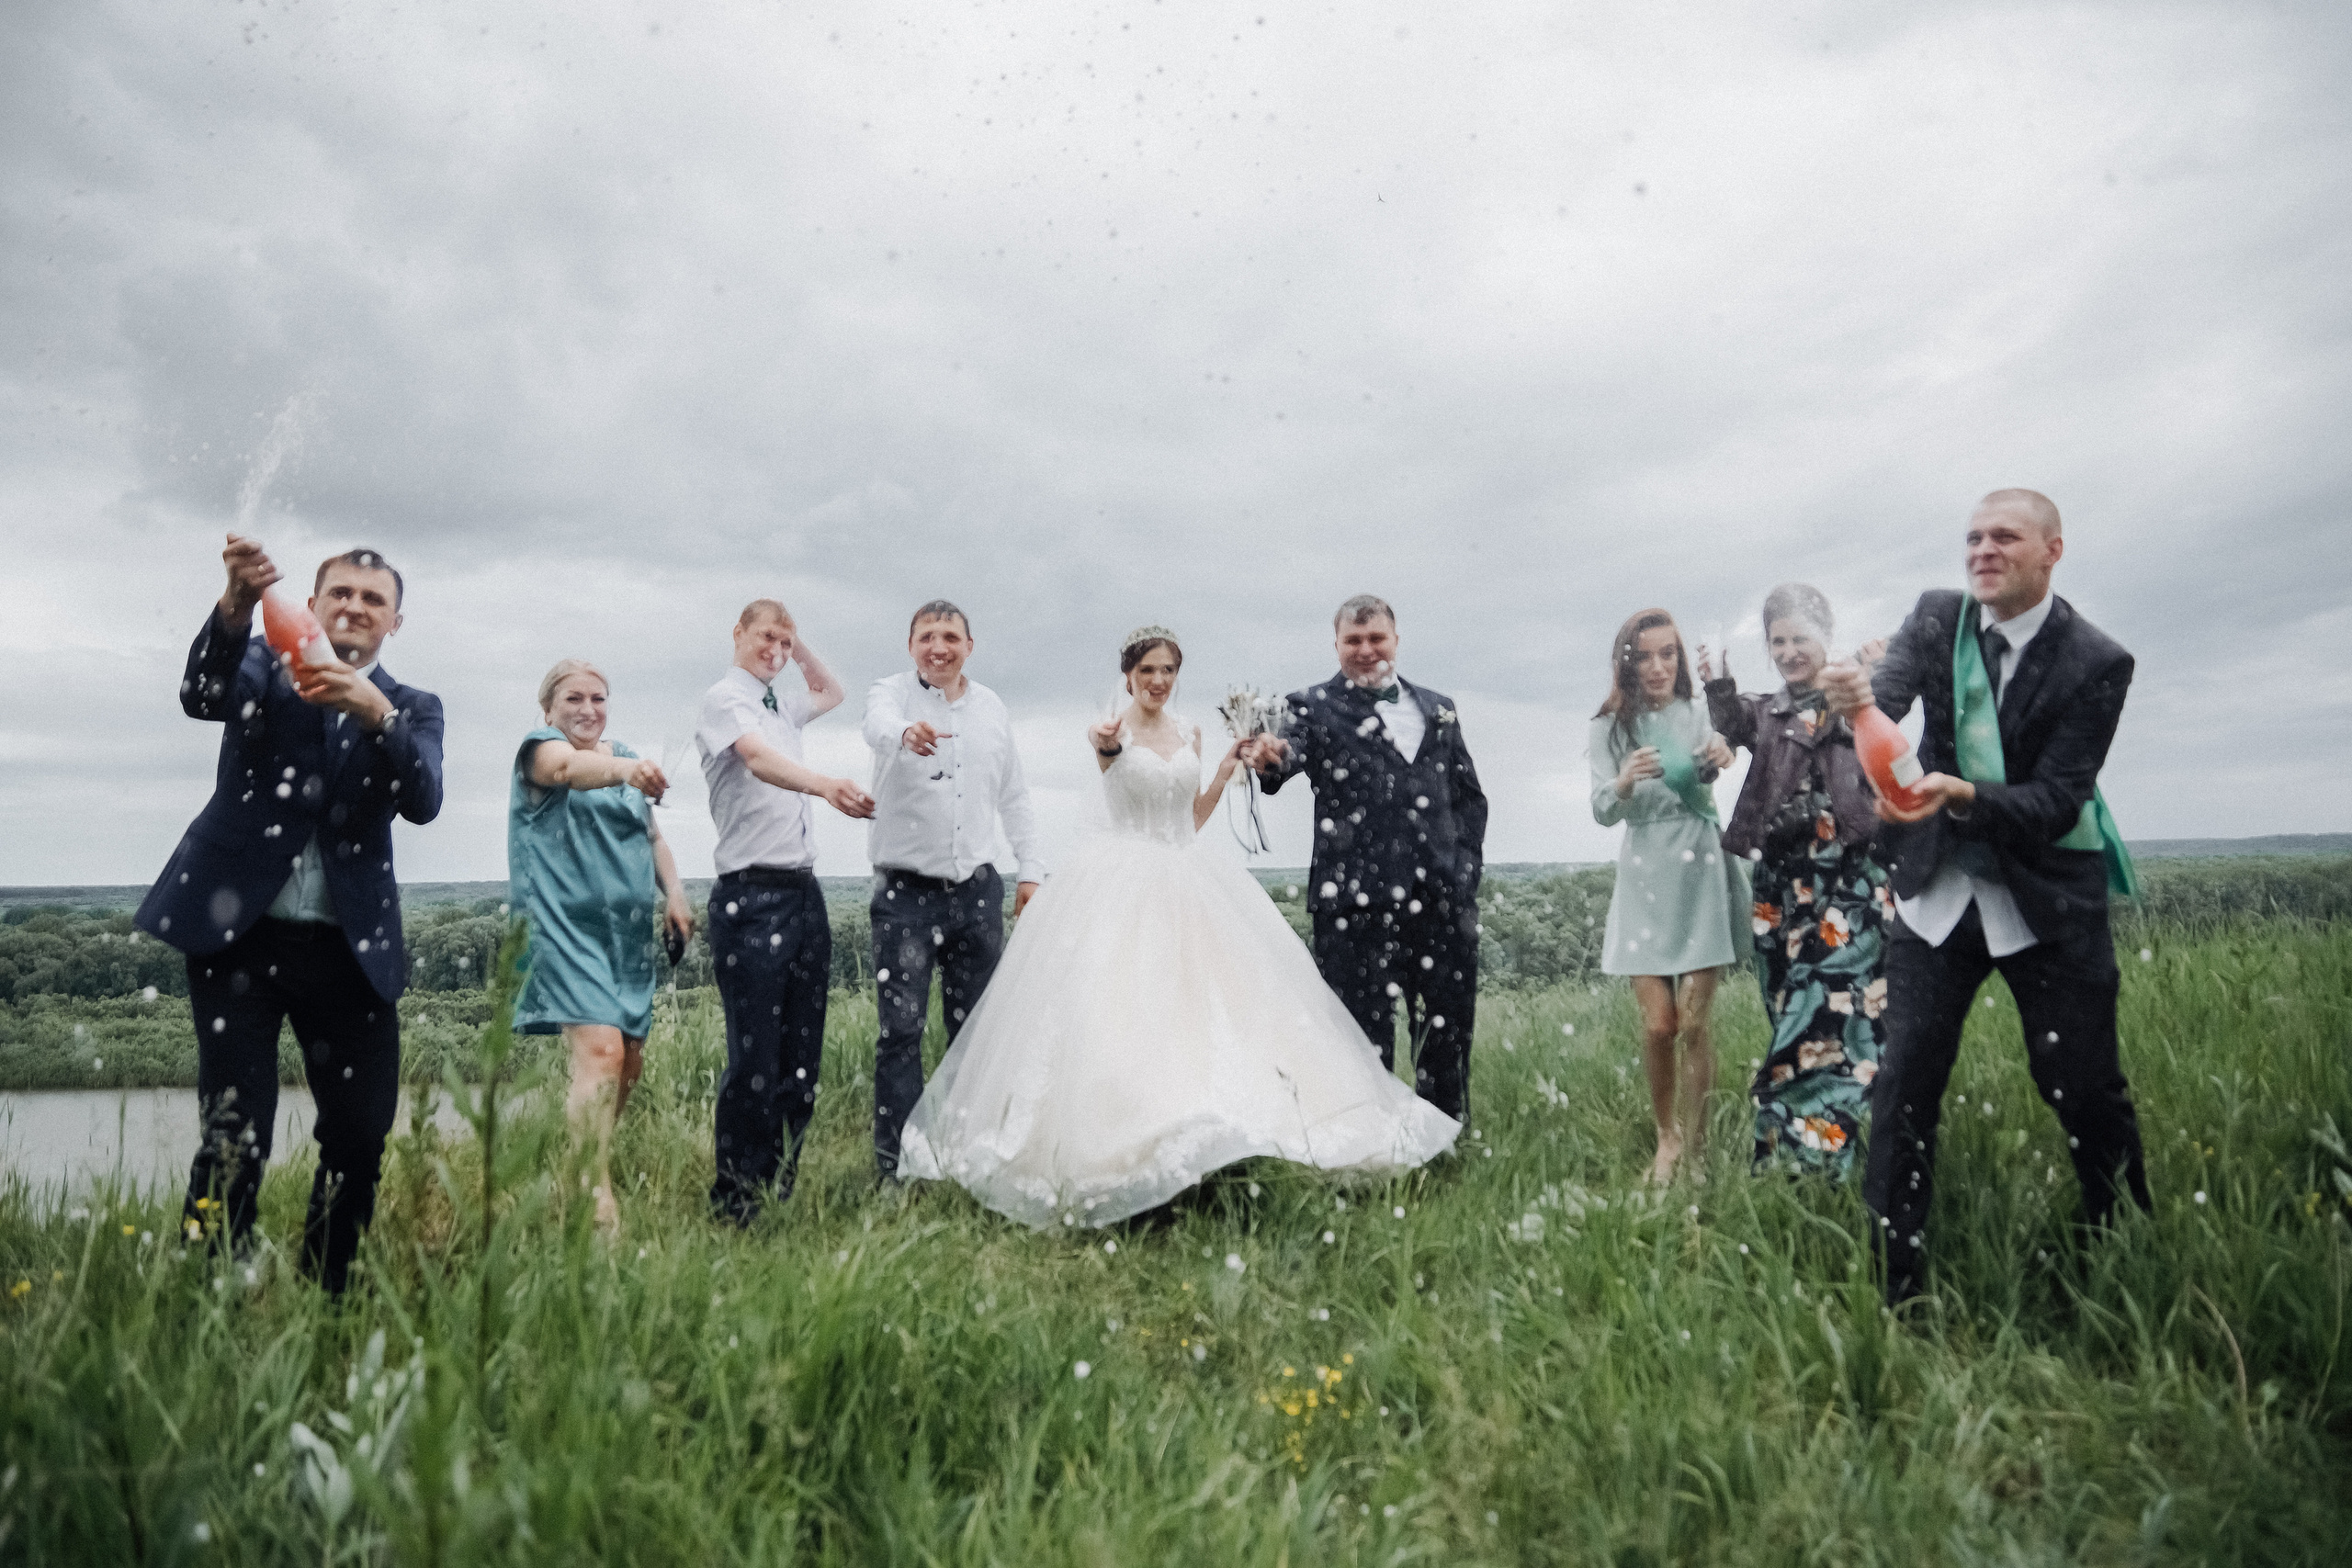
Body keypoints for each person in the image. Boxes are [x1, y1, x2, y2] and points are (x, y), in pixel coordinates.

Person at [898, 625, 1459, 1226]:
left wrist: (1221, 773)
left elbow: (1189, 820)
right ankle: (1126, 1148)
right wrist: (1106, 744)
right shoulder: (1109, 731)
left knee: (1212, 1010)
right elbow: (1107, 755)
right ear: (1129, 676)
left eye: (1167, 671)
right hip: (1121, 878)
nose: (1158, 682)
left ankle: (1210, 1146)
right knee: (1124, 1013)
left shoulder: (1189, 730)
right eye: (1147, 672)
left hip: (1187, 870)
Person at [1822, 488, 2146, 1304]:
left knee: (2082, 1082)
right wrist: (1854, 701)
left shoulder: (2097, 661)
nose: (1983, 551)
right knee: (1905, 1081)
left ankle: (2124, 1252)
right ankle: (1894, 1289)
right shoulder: (1936, 616)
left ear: (2052, 551)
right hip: (1938, 888)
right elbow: (1883, 710)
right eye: (1972, 538)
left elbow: (2056, 801)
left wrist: (1962, 792)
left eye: (2004, 536)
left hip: (2047, 893)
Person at [136, 536, 444, 1294]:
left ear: (395, 622)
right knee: (236, 1126)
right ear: (311, 604)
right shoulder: (263, 673)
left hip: (349, 950)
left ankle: (329, 1287)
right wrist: (236, 605)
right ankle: (212, 1286)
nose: (355, 606)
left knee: (360, 1130)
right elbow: (201, 692)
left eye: (374, 599)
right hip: (237, 935)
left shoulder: (413, 707)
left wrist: (377, 715)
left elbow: (425, 800)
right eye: (340, 592)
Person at [1248, 595, 1487, 1122]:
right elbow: (1285, 756)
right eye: (1353, 641)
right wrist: (1272, 757)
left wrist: (1464, 875)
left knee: (1445, 1035)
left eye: (1375, 638)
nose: (1365, 650)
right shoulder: (1308, 706)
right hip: (1354, 906)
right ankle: (1369, 1154)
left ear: (1395, 640)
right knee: (1360, 1041)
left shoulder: (1439, 706)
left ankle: (1444, 1146)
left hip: (1442, 904)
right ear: (1336, 645)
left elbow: (1469, 799)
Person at [1700, 586, 1889, 1179]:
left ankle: (1825, 1160)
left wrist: (1872, 673)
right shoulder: (1768, 710)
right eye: (1777, 640)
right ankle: (1805, 1155)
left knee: (1830, 1009)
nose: (1788, 651)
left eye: (1799, 638)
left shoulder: (1856, 695)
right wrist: (1717, 682)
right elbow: (1732, 723)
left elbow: (1886, 721)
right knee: (1788, 1008)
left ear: (1825, 634)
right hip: (1781, 880)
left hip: (1848, 875)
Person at [695, 600, 873, 1225]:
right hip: (751, 895)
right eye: (764, 637)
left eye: (783, 640)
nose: (774, 648)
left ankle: (778, 1188)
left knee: (801, 1060)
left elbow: (832, 688)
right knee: (755, 1060)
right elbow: (759, 760)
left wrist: (797, 645)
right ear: (737, 633)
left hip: (803, 891)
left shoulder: (778, 704)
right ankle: (736, 1201)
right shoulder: (727, 698)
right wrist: (827, 785)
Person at [509, 658, 695, 1234]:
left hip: (627, 933)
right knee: (602, 1054)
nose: (588, 710)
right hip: (563, 928)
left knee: (629, 1059)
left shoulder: (624, 753)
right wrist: (627, 769)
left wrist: (677, 894)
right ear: (549, 708)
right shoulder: (541, 749)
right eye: (573, 699)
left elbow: (651, 835)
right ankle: (596, 1200)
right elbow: (570, 771)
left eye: (597, 699)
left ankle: (580, 1169)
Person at [860, 600, 1044, 1183]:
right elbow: (876, 726)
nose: (938, 647)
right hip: (906, 896)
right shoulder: (888, 695)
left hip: (977, 893)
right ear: (910, 644)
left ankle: (968, 1154)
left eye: (950, 637)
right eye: (926, 637)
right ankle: (898, 1166)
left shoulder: (992, 708)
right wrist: (904, 733)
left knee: (976, 1031)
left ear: (970, 644)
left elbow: (1013, 794)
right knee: (902, 1032)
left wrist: (1030, 869)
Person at [1590, 608, 1744, 1185]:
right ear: (1626, 661)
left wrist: (1720, 756)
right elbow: (1602, 811)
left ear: (1679, 661)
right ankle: (1667, 1138)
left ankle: (1698, 1150)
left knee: (1695, 1022)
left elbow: (1718, 756)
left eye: (1668, 654)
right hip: (1645, 871)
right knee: (1660, 1023)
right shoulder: (1609, 725)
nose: (1657, 667)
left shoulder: (1698, 713)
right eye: (1645, 655)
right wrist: (1623, 781)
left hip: (1702, 862)